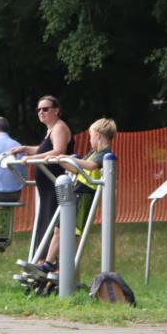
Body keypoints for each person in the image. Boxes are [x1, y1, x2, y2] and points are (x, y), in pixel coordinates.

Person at [37, 118, 117, 275]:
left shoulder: (105, 154)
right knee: (59, 229)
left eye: (91, 136)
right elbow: (77, 169)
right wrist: (60, 160)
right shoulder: (92, 153)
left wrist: (72, 159)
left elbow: (91, 166)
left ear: (99, 135)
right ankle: (48, 263)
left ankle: (65, 268)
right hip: (76, 191)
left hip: (85, 194)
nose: (90, 139)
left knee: (73, 232)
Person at [10, 95, 74, 265]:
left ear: (56, 110)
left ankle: (50, 263)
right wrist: (26, 150)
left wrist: (32, 158)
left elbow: (59, 150)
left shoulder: (60, 128)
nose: (41, 112)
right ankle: (42, 260)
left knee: (52, 221)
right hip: (46, 186)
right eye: (38, 109)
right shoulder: (50, 130)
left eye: (45, 109)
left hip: (56, 182)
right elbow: (45, 148)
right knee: (45, 220)